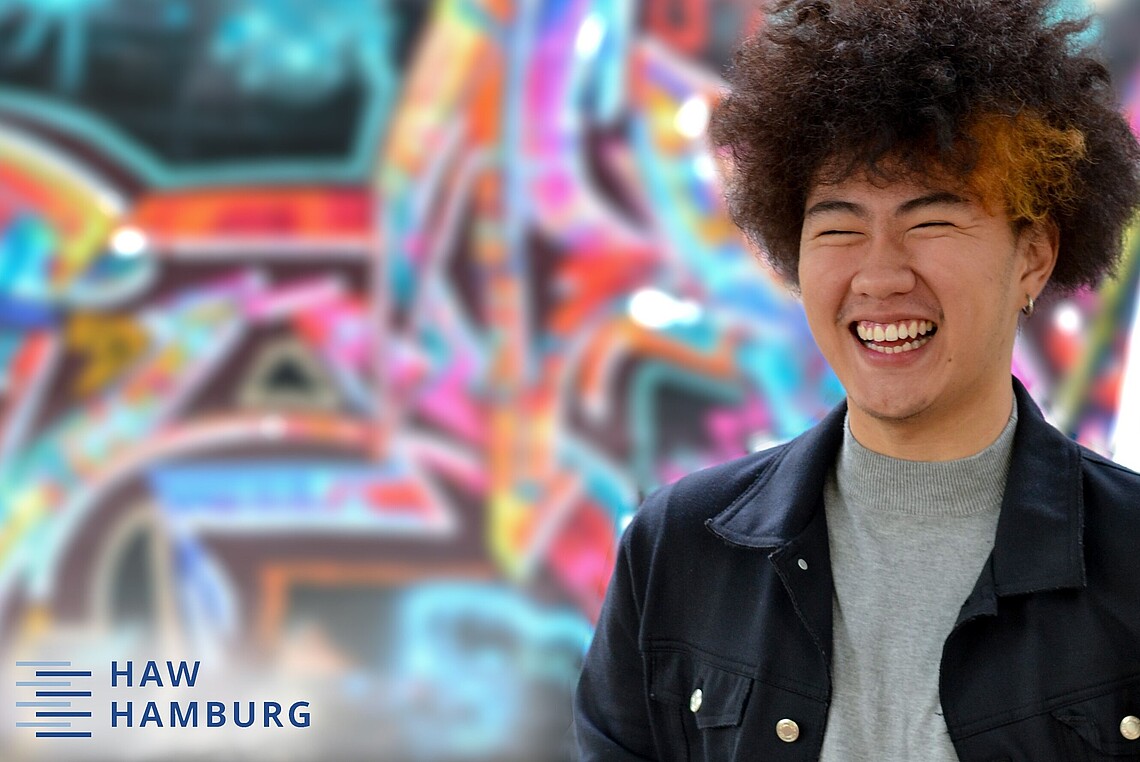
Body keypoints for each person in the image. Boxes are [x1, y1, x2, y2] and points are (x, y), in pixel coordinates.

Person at [573, 0, 1140, 759]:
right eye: (838, 227)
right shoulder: (677, 551)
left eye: (930, 222)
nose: (877, 274)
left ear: (1032, 256)